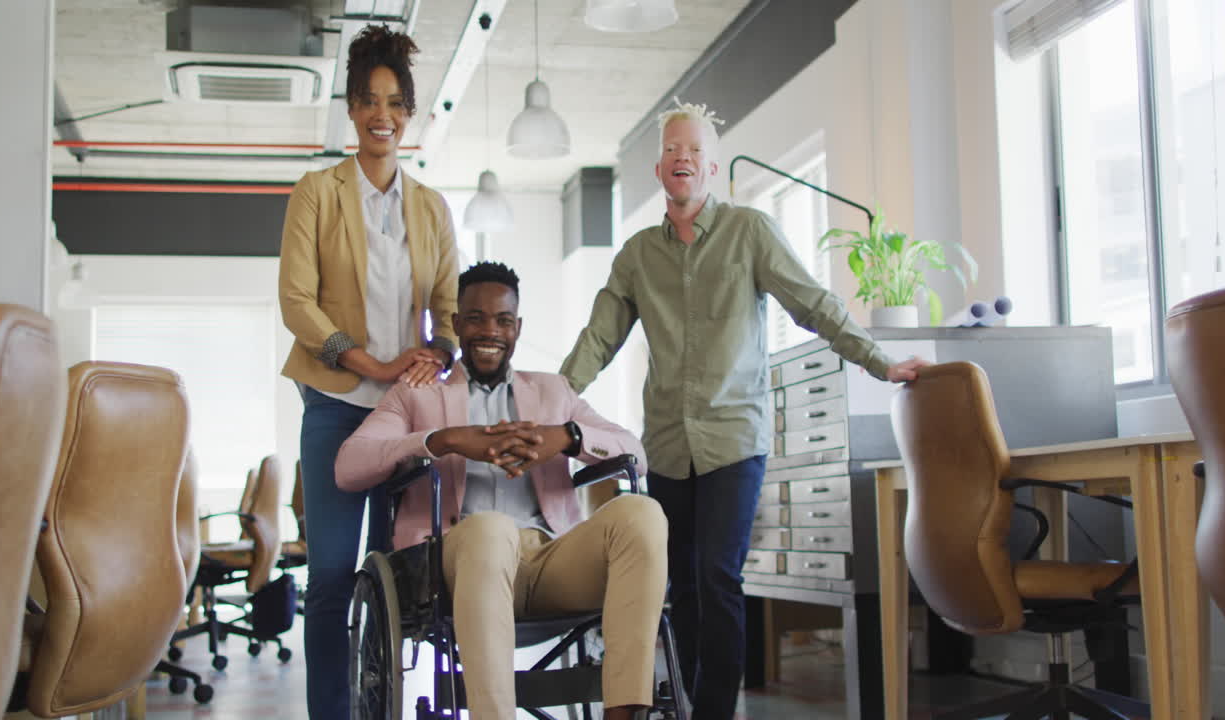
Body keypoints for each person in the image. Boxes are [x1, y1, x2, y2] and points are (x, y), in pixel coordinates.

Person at [559, 100, 928, 720]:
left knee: (717, 576)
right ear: (659, 169)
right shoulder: (637, 256)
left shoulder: (749, 232)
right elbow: (598, 339)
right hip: (669, 447)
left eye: (695, 151)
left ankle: (712, 713)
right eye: (674, 150)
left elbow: (811, 302)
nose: (683, 159)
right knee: (679, 587)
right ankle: (685, 699)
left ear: (713, 169)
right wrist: (550, 405)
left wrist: (878, 361)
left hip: (735, 440)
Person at [336, 262, 667, 720]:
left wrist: (567, 436)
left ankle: (626, 713)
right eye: (475, 318)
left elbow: (636, 453)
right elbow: (348, 467)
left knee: (643, 513)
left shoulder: (554, 392)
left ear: (517, 328)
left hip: (551, 560)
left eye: (503, 320)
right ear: (454, 325)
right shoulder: (417, 396)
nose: (489, 331)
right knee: (491, 529)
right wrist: (444, 440)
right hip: (457, 563)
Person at [277, 25, 460, 719]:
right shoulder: (318, 193)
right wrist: (370, 361)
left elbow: (447, 312)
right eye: (369, 100)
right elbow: (297, 301)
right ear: (352, 109)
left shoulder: (431, 208)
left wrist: (435, 353)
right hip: (334, 406)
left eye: (395, 102)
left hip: (401, 417)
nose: (382, 113)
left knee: (395, 577)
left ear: (409, 114)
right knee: (329, 576)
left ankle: (383, 701)